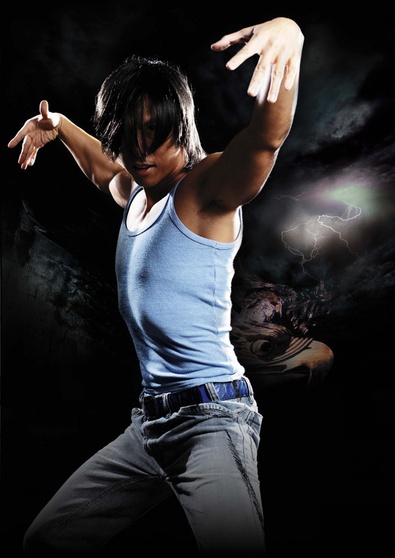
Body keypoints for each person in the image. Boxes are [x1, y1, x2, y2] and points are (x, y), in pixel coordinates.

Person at [8, 16, 304, 557]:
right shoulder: (137, 193)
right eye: (128, 135)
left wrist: (289, 34)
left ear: (181, 126)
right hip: (150, 426)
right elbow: (103, 171)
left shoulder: (205, 191)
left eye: (154, 132)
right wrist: (63, 126)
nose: (141, 150)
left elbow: (265, 140)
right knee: (46, 540)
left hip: (212, 421)